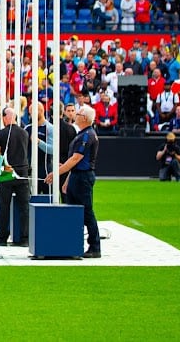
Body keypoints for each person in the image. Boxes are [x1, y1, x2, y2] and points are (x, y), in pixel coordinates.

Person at [45, 105, 101, 258]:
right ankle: (74, 242)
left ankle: (94, 246)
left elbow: (76, 159)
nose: (75, 114)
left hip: (83, 177)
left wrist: (57, 173)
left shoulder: (86, 135)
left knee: (86, 211)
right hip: (77, 175)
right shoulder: (82, 133)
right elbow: (74, 162)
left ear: (84, 118)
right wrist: (67, 178)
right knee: (74, 210)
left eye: (78, 113)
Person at [0, 106, 31, 247]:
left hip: (6, 173)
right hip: (23, 172)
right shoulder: (24, 133)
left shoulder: (0, 134)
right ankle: (25, 237)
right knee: (24, 207)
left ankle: (3, 237)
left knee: (4, 206)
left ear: (4, 117)